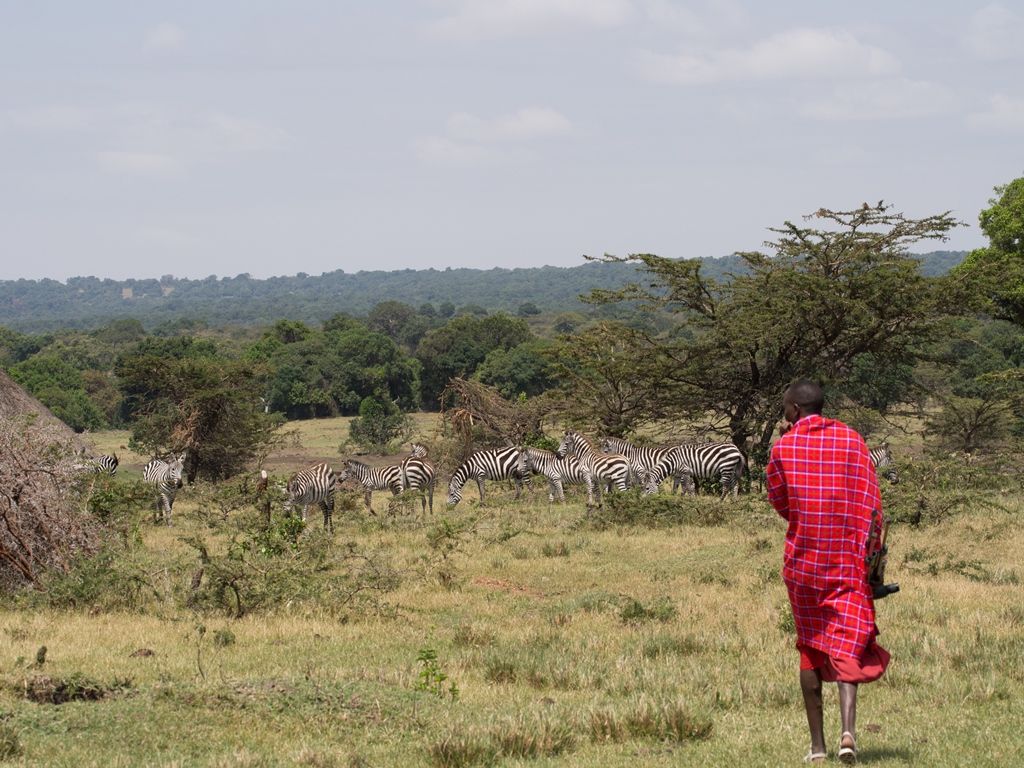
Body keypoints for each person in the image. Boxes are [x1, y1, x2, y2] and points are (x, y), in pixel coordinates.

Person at [765, 380, 890, 765]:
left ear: (794, 410)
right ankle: (848, 733)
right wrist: (871, 559)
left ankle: (817, 747)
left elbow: (779, 500)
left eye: (785, 407)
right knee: (848, 641)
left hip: (803, 564)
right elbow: (872, 505)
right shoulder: (853, 441)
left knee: (810, 646)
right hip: (848, 562)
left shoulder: (783, 447)